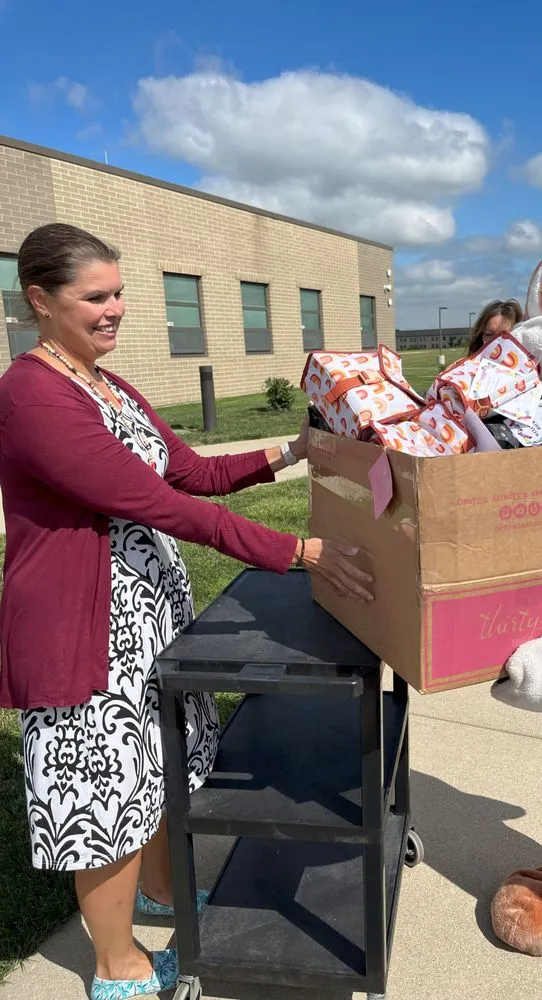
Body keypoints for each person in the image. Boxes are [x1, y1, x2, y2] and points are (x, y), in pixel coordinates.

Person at [0, 222, 373, 1000]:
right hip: (84, 630)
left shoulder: (105, 381)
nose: (116, 310)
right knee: (103, 796)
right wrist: (296, 551)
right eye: (94, 297)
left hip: (146, 619)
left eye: (120, 292)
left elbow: (191, 471)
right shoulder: (33, 394)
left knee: (161, 771)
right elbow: (157, 503)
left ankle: (164, 895)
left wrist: (290, 451)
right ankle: (117, 966)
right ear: (40, 300)